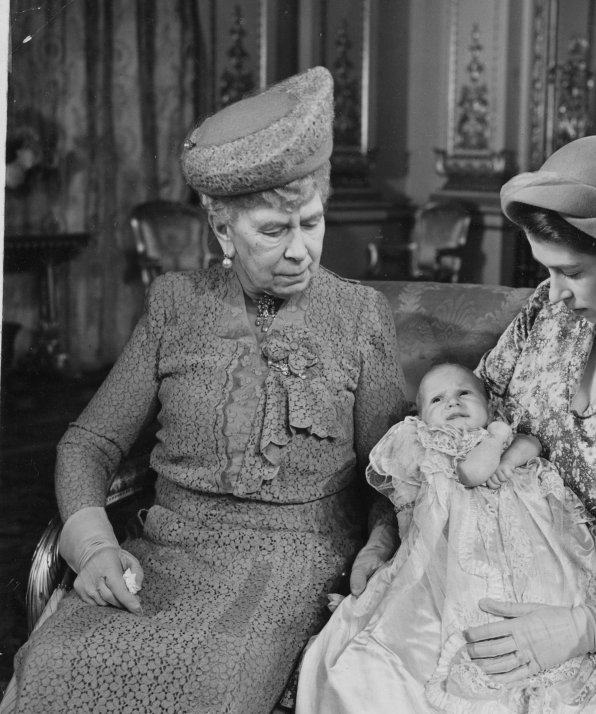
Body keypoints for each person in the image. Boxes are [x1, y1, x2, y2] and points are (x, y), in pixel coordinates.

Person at [1, 66, 407, 714]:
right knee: (51, 665)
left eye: (311, 222)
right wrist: (95, 546)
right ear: (223, 231)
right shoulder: (174, 305)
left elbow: (394, 475)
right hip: (162, 557)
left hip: (290, 567)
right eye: (273, 232)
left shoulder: (361, 318)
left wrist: (380, 550)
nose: (301, 249)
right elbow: (87, 444)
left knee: (208, 685)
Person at [345, 135, 596, 699]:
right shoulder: (547, 311)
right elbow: (445, 440)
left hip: (590, 620)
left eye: (572, 272)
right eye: (549, 271)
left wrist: (584, 630)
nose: (557, 292)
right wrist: (382, 540)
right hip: (472, 577)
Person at [297, 362, 596, 712]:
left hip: (526, 538)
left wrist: (510, 456)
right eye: (437, 400)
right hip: (455, 554)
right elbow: (471, 473)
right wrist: (496, 441)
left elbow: (532, 443)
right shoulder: (427, 442)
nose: (452, 403)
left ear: (489, 406)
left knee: (556, 588)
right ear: (420, 418)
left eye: (464, 393)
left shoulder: (504, 433)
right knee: (454, 617)